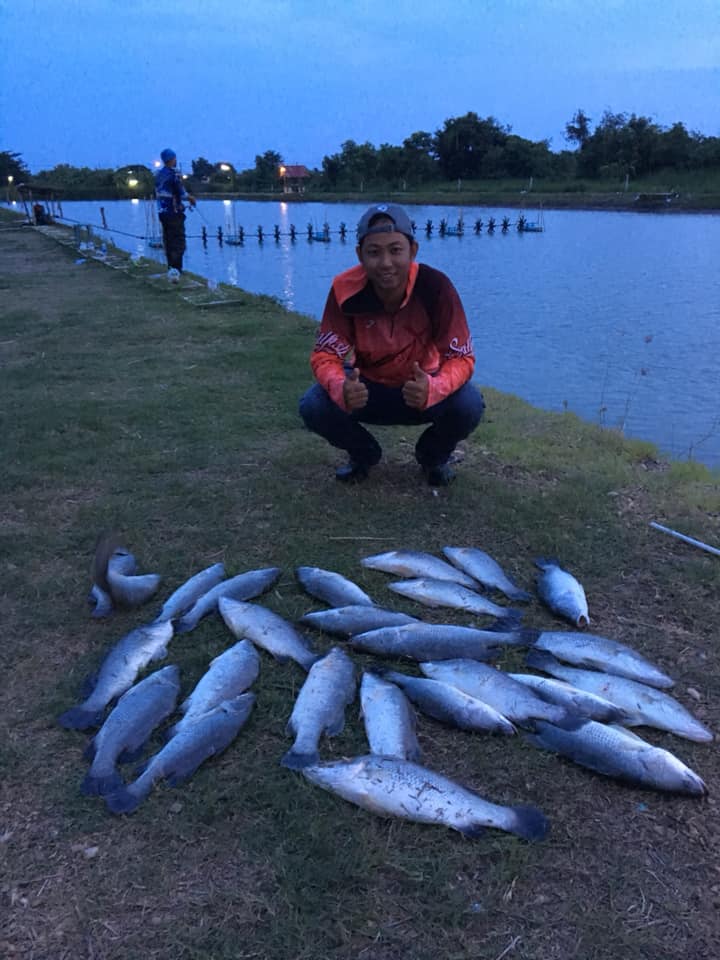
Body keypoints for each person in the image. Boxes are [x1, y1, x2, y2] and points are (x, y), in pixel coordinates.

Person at [299, 202, 485, 486]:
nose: (385, 263)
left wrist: (434, 388)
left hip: (421, 388)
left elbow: (462, 357)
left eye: (395, 250)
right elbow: (325, 354)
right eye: (374, 252)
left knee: (470, 404)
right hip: (369, 389)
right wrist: (341, 388)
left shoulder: (436, 288)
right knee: (313, 405)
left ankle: (432, 457)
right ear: (359, 254)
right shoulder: (344, 290)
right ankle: (363, 454)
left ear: (413, 251)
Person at [154, 148, 196, 283]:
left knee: (168, 241)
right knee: (179, 242)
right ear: (171, 159)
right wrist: (190, 198)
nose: (176, 160)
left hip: (163, 213)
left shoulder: (158, 175)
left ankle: (171, 269)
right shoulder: (174, 174)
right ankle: (177, 270)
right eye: (175, 158)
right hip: (174, 213)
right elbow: (181, 193)